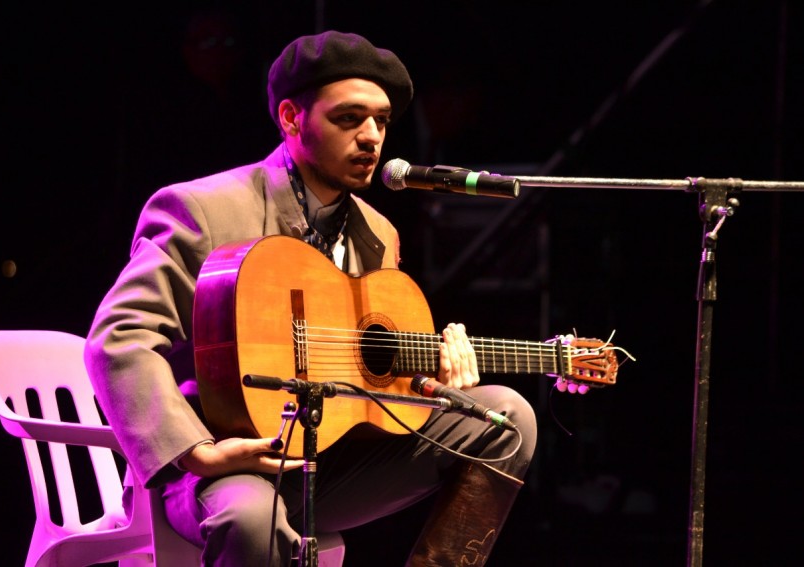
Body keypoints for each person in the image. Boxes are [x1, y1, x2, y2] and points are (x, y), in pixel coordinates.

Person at [85, 30, 538, 566]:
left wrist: (431, 385)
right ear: (292, 118)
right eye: (349, 118)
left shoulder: (378, 233)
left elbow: (364, 380)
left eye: (382, 121)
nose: (371, 137)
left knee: (508, 420)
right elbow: (119, 338)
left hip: (329, 464)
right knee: (250, 519)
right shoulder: (202, 210)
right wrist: (197, 452)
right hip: (220, 466)